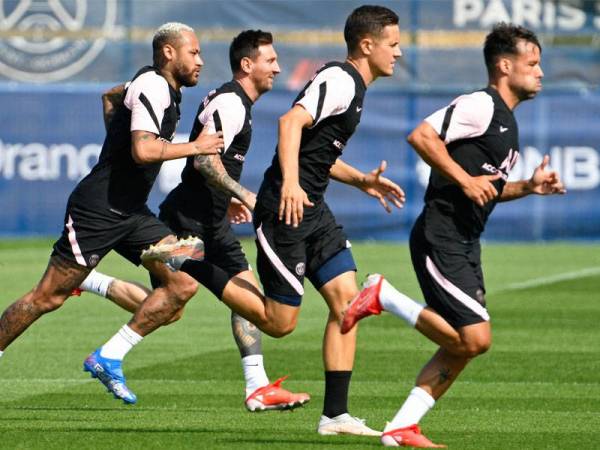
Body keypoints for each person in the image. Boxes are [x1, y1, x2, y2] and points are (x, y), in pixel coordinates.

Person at [145, 4, 406, 436]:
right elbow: (290, 123)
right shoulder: (340, 80)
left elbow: (318, 157)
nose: (398, 53)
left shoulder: (354, 88)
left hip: (313, 209)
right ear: (367, 45)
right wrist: (287, 184)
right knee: (280, 323)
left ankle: (335, 416)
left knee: (348, 304)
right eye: (393, 44)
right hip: (285, 211)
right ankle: (186, 260)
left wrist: (360, 180)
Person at [342, 23, 566, 447]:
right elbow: (421, 135)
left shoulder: (507, 122)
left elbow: (486, 191)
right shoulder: (481, 104)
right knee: (475, 338)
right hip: (440, 236)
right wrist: (464, 179)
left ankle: (400, 428)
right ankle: (382, 295)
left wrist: (529, 187)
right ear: (504, 65)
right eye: (532, 63)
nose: (540, 72)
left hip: (464, 242)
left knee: (464, 345)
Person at [79, 30, 309, 411]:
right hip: (188, 221)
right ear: (247, 65)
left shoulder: (239, 104)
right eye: (271, 61)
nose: (278, 68)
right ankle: (108, 343)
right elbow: (203, 158)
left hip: (213, 221)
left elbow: (212, 161)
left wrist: (226, 198)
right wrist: (242, 193)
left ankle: (257, 386)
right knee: (179, 303)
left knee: (230, 306)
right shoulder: (231, 103)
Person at [0, 22, 224, 405]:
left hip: (132, 214)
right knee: (46, 298)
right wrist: (197, 147)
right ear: (168, 52)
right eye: (194, 52)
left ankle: (108, 355)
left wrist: (115, 134)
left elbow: (110, 96)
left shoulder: (156, 87)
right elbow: (143, 151)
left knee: (181, 287)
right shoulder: (154, 85)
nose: (201, 61)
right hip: (97, 211)